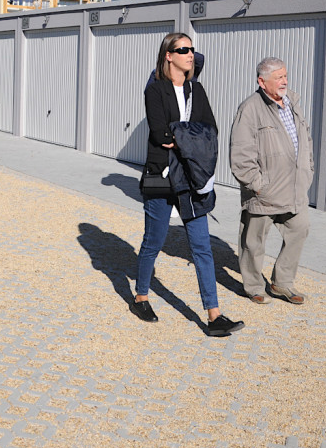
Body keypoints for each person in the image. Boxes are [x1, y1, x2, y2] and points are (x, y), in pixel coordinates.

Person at [130, 33, 244, 337]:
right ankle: (141, 296)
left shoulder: (198, 89)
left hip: (191, 177)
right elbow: (159, 134)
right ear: (169, 55)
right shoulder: (156, 90)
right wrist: (188, 137)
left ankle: (213, 315)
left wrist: (182, 137)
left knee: (202, 247)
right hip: (162, 176)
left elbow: (211, 131)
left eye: (192, 49)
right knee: (153, 242)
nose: (190, 54)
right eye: (183, 50)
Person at [229, 57, 315, 306]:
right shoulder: (250, 109)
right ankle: (254, 286)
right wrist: (258, 185)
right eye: (278, 77)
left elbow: (305, 140)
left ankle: (281, 283)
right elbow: (241, 155)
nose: (284, 81)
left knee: (299, 230)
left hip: (295, 190)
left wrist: (308, 170)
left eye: (285, 76)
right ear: (261, 81)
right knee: (253, 242)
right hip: (264, 192)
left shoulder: (292, 104)